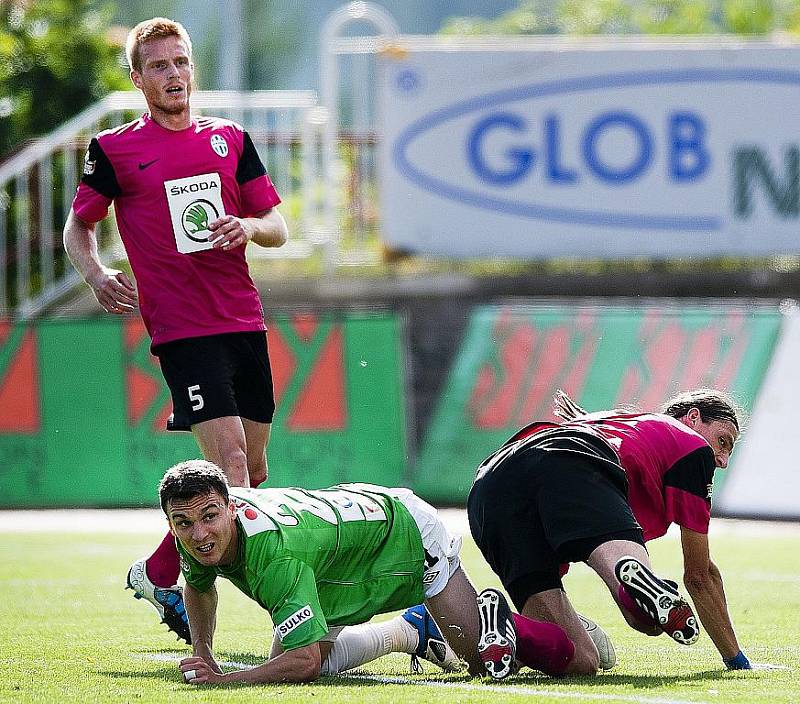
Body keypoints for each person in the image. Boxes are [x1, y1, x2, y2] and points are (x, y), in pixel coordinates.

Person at [63, 17, 288, 644]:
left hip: (242, 316)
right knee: (233, 473)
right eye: (159, 66)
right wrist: (96, 271)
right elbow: (77, 227)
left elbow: (277, 224)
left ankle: (158, 572)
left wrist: (248, 227)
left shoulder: (230, 140)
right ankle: (277, 610)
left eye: (181, 62)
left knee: (256, 474)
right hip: (183, 331)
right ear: (138, 79)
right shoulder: (115, 151)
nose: (174, 75)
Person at [159, 460, 582, 685]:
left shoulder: (273, 554)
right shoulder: (196, 530)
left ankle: (561, 634)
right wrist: (204, 652)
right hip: (334, 560)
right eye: (183, 523)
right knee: (288, 664)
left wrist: (225, 681)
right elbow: (198, 587)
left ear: (231, 507)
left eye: (209, 517)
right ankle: (412, 631)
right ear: (172, 522)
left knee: (490, 666)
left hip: (401, 535)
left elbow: (302, 662)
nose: (199, 534)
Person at [468, 388, 752, 675]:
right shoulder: (693, 446)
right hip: (573, 462)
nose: (722, 459)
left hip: (490, 485)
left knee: (580, 660)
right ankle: (639, 588)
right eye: (723, 441)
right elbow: (700, 575)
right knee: (645, 620)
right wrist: (737, 660)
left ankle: (509, 627)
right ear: (693, 417)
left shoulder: (621, 422)